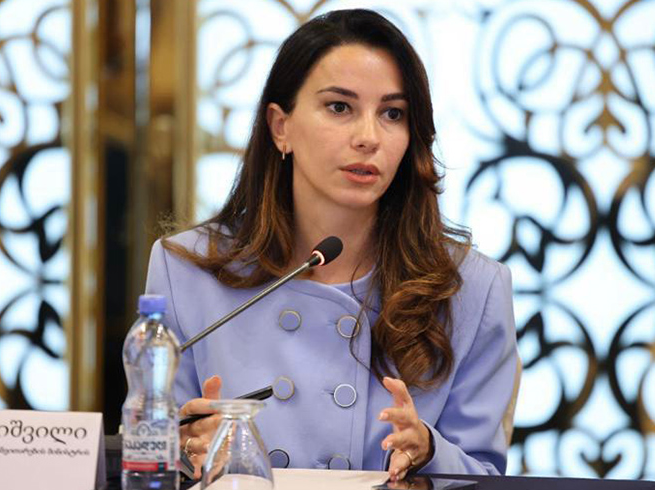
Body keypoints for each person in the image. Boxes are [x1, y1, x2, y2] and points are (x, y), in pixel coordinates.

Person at [144, 8, 519, 481]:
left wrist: (428, 452)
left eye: (392, 113)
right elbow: (147, 453)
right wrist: (186, 452)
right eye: (340, 107)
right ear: (281, 127)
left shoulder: (471, 289)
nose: (368, 138)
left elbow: (483, 476)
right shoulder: (185, 270)